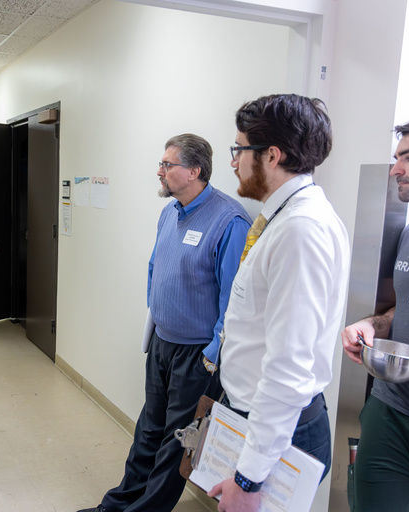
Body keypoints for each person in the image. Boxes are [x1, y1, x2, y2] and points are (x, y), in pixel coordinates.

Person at [79, 134, 251, 512]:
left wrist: (213, 354)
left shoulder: (230, 220)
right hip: (162, 343)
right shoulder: (170, 211)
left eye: (167, 165)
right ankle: (118, 504)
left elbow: (234, 302)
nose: (159, 171)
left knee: (177, 442)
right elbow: (156, 267)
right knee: (149, 429)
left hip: (197, 355)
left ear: (194, 171)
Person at [207, 94, 350, 512]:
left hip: (279, 431)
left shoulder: (300, 230)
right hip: (259, 420)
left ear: (271, 155)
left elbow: (289, 366)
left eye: (238, 150)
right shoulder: (282, 218)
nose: (233, 161)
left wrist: (249, 477)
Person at [341, 112, 409, 512]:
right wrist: (371, 323)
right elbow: (406, 307)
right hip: (390, 414)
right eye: (397, 157)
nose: (395, 169)